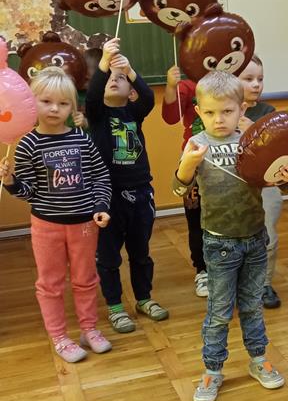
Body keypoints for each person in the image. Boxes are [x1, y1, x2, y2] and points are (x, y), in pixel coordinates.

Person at [173, 71, 284, 401]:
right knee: (219, 311)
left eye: (226, 111)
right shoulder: (196, 144)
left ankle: (258, 359)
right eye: (209, 112)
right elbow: (178, 189)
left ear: (241, 109)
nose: (218, 119)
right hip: (219, 243)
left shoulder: (252, 142)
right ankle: (212, 370)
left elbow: (281, 180)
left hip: (254, 239)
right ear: (198, 111)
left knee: (252, 306)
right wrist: (187, 166)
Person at [0, 66, 113, 363]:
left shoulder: (82, 139)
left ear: (72, 107)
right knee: (50, 284)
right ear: (31, 103)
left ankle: (89, 329)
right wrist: (11, 181)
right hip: (46, 226)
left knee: (86, 279)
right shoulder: (27, 144)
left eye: (63, 103)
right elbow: (29, 192)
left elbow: (101, 176)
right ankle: (60, 337)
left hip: (85, 225)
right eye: (46, 101)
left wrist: (101, 206)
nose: (54, 109)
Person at [85, 37, 168, 333]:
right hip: (107, 197)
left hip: (141, 192)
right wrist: (105, 64)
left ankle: (144, 298)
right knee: (108, 257)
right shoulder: (97, 115)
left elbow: (147, 98)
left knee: (140, 253)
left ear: (129, 91)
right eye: (108, 77)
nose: (113, 79)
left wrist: (130, 70)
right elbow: (92, 96)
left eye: (119, 79)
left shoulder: (133, 112)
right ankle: (115, 306)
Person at [237, 55, 283, 308]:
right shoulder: (225, 111)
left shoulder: (268, 112)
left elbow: (275, 151)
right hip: (235, 187)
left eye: (260, 79)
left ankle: (264, 283)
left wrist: (253, 130)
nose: (256, 84)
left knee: (269, 235)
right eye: (248, 78)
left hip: (265, 185)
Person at [162, 62, 208, 297]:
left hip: (226, 158)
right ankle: (202, 270)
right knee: (196, 219)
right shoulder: (190, 85)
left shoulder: (231, 80)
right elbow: (171, 116)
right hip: (194, 162)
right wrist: (172, 86)